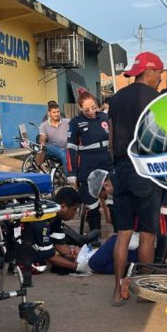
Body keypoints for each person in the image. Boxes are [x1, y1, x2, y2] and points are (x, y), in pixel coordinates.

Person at [107, 51, 164, 306]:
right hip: (146, 169)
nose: (160, 80)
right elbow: (163, 139)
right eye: (159, 74)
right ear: (150, 71)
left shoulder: (116, 98)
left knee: (123, 234)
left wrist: (116, 167)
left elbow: (110, 141)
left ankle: (118, 291)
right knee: (148, 233)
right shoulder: (156, 99)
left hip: (121, 169)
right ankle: (145, 291)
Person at [66, 91, 113, 233]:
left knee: (114, 201)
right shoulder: (76, 122)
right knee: (92, 205)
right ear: (80, 109)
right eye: (87, 109)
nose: (92, 111)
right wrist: (71, 173)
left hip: (107, 162)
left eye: (94, 107)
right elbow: (71, 148)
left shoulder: (105, 117)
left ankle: (118, 233)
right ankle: (94, 236)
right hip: (87, 165)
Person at [19, 187, 91, 274]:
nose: (75, 214)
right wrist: (77, 267)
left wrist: (73, 256)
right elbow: (50, 256)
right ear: (63, 206)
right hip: (17, 239)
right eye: (74, 209)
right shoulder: (43, 220)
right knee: (38, 266)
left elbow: (59, 243)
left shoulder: (56, 214)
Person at [38, 100, 70, 168]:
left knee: (65, 153)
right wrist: (42, 145)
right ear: (49, 113)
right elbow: (42, 139)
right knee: (62, 154)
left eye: (58, 112)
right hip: (53, 148)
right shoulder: (44, 125)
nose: (56, 114)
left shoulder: (67, 122)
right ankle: (69, 178)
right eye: (54, 112)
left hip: (66, 148)